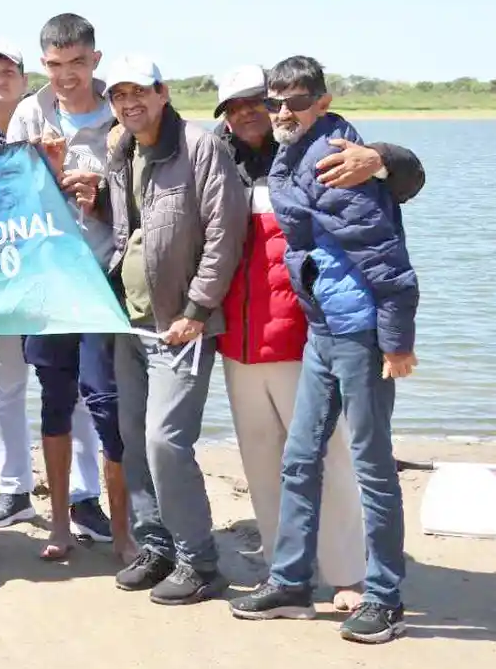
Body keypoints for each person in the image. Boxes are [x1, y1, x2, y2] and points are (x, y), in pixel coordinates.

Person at [213, 65, 426, 613]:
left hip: (359, 332)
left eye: (297, 101)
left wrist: (397, 341)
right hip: (323, 330)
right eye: (276, 102)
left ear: (323, 101)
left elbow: (385, 258)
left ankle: (384, 596)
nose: (283, 111)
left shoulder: (337, 159)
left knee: (371, 463)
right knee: (300, 457)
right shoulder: (290, 149)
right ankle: (289, 581)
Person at [103, 56, 247, 604]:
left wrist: (197, 308)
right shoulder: (123, 151)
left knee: (166, 441)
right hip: (129, 323)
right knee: (134, 442)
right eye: (119, 94)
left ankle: (199, 561)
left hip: (180, 327)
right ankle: (157, 546)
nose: (130, 102)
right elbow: (129, 232)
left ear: (162, 92)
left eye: (140, 91)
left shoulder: (201, 147)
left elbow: (224, 234)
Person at [5, 14, 125, 559]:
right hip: (49, 284)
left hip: (106, 280)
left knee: (109, 406)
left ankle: (123, 533)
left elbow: (145, 202)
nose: (67, 75)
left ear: (95, 60)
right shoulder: (29, 114)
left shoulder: (121, 113)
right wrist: (48, 174)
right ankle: (58, 526)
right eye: (56, 65)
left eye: (77, 63)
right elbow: (8, 201)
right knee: (54, 403)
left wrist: (100, 196)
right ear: (43, 64)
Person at [0, 39, 84, 533]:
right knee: (5, 384)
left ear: (24, 78)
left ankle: (84, 496)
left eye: (7, 71)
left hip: (57, 273)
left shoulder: (53, 119)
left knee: (74, 388)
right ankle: (14, 489)